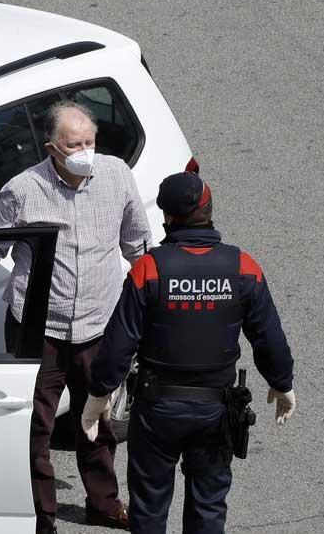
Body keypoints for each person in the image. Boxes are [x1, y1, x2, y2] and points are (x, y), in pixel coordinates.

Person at [0, 101, 149, 533]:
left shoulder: (116, 176)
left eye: (89, 142)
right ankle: (39, 514)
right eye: (74, 145)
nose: (84, 151)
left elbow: (138, 246)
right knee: (34, 426)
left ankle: (103, 504)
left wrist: (151, 308)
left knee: (98, 420)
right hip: (38, 328)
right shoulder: (23, 190)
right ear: (52, 148)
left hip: (98, 325)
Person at [82, 171, 296, 533]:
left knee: (149, 508)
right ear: (210, 211)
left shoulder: (149, 268)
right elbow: (268, 335)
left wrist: (98, 395)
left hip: (157, 408)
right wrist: (282, 382)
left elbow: (120, 342)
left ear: (167, 217)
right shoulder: (243, 267)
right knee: (209, 508)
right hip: (216, 409)